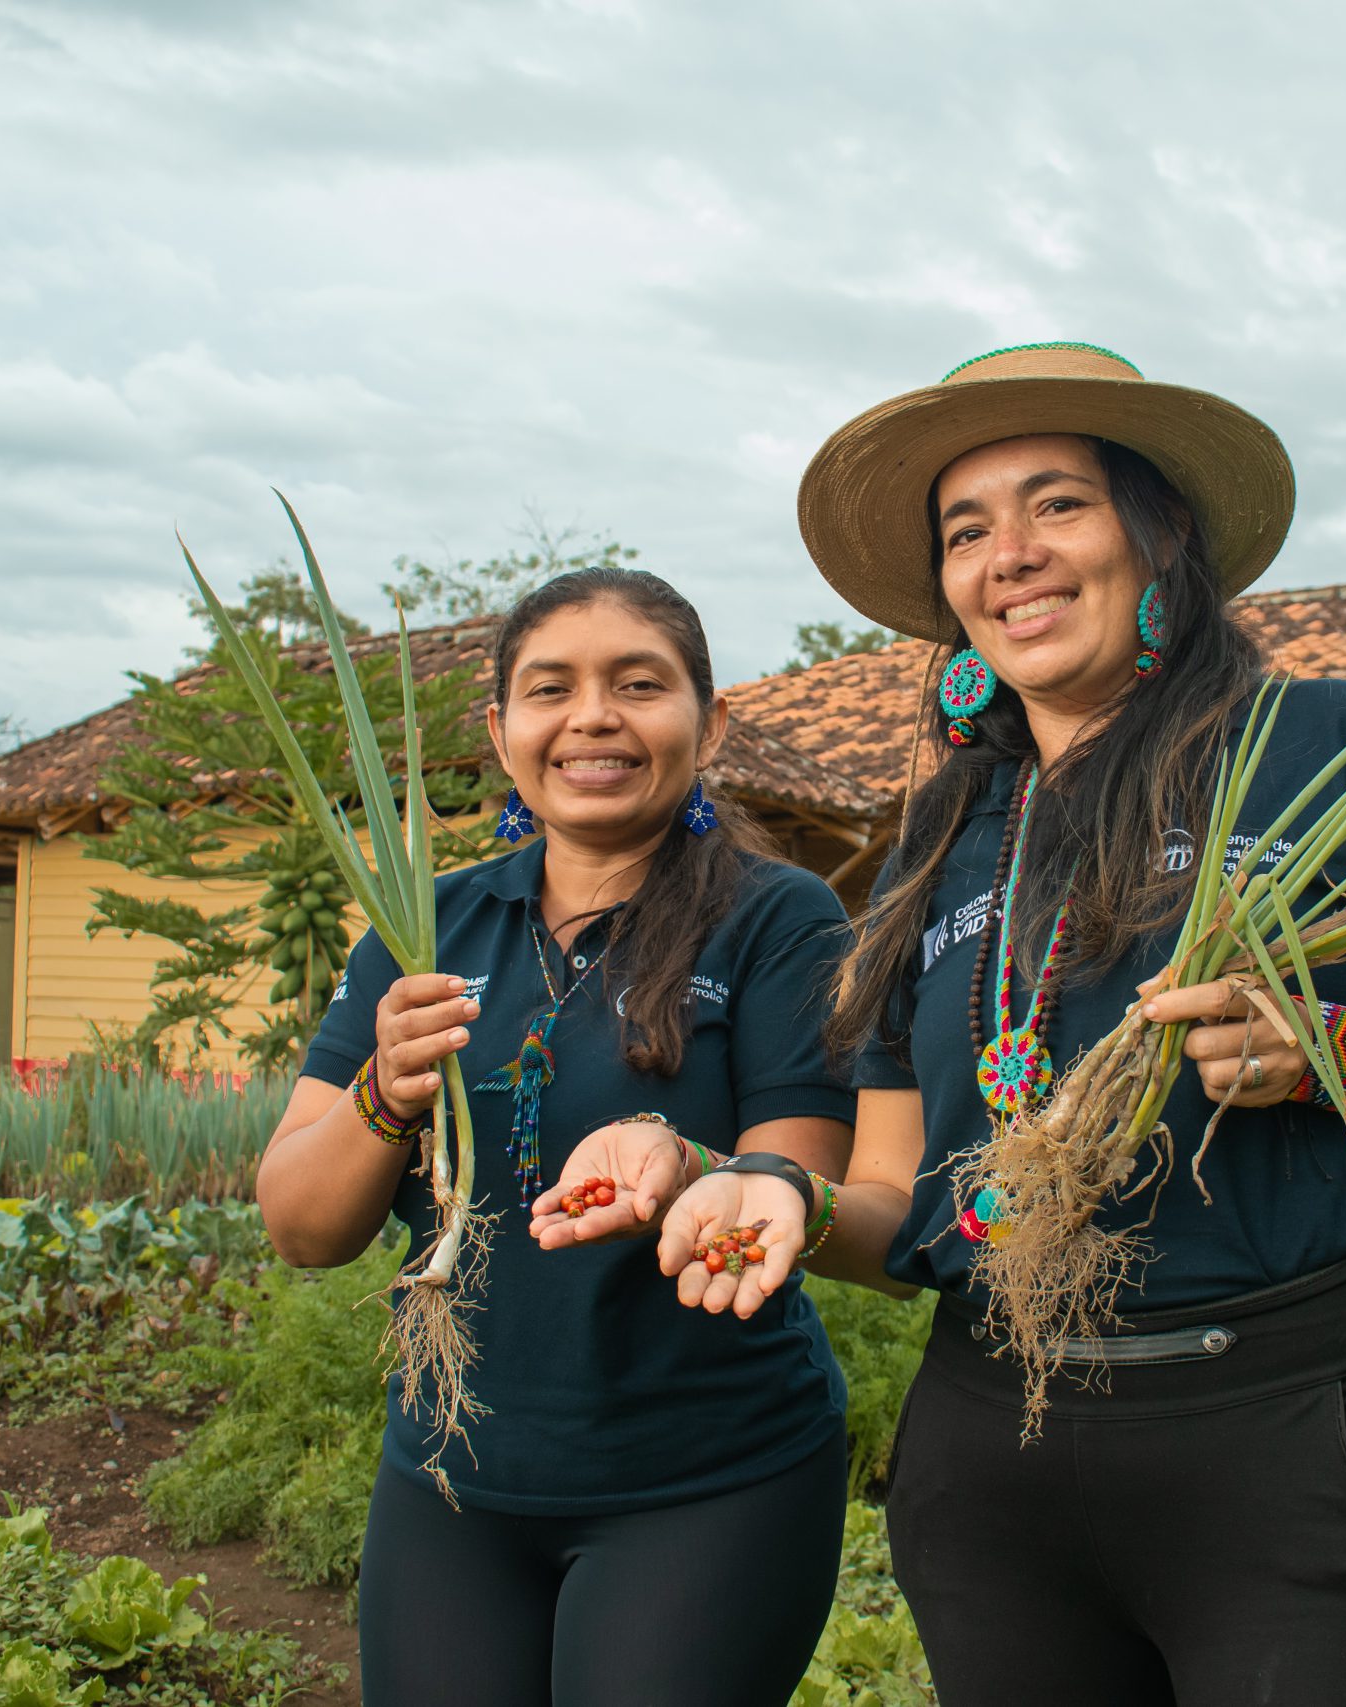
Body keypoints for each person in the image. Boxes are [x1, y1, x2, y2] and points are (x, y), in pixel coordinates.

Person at [658, 343, 1346, 1706]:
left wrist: (1336, 1050)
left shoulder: (1322, 743)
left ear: (1156, 535)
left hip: (1282, 1436)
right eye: (967, 530)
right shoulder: (941, 830)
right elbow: (893, 1194)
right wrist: (774, 1189)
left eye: (1058, 505)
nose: (1011, 556)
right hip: (996, 1452)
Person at [256, 567, 855, 1707]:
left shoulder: (778, 917)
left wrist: (684, 1167)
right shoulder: (421, 926)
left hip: (705, 1478)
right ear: (500, 730)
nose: (592, 717)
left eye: (639, 684)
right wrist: (385, 1089)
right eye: (550, 689)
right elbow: (301, 1226)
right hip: (449, 1474)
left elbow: (799, 1181)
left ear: (710, 720)